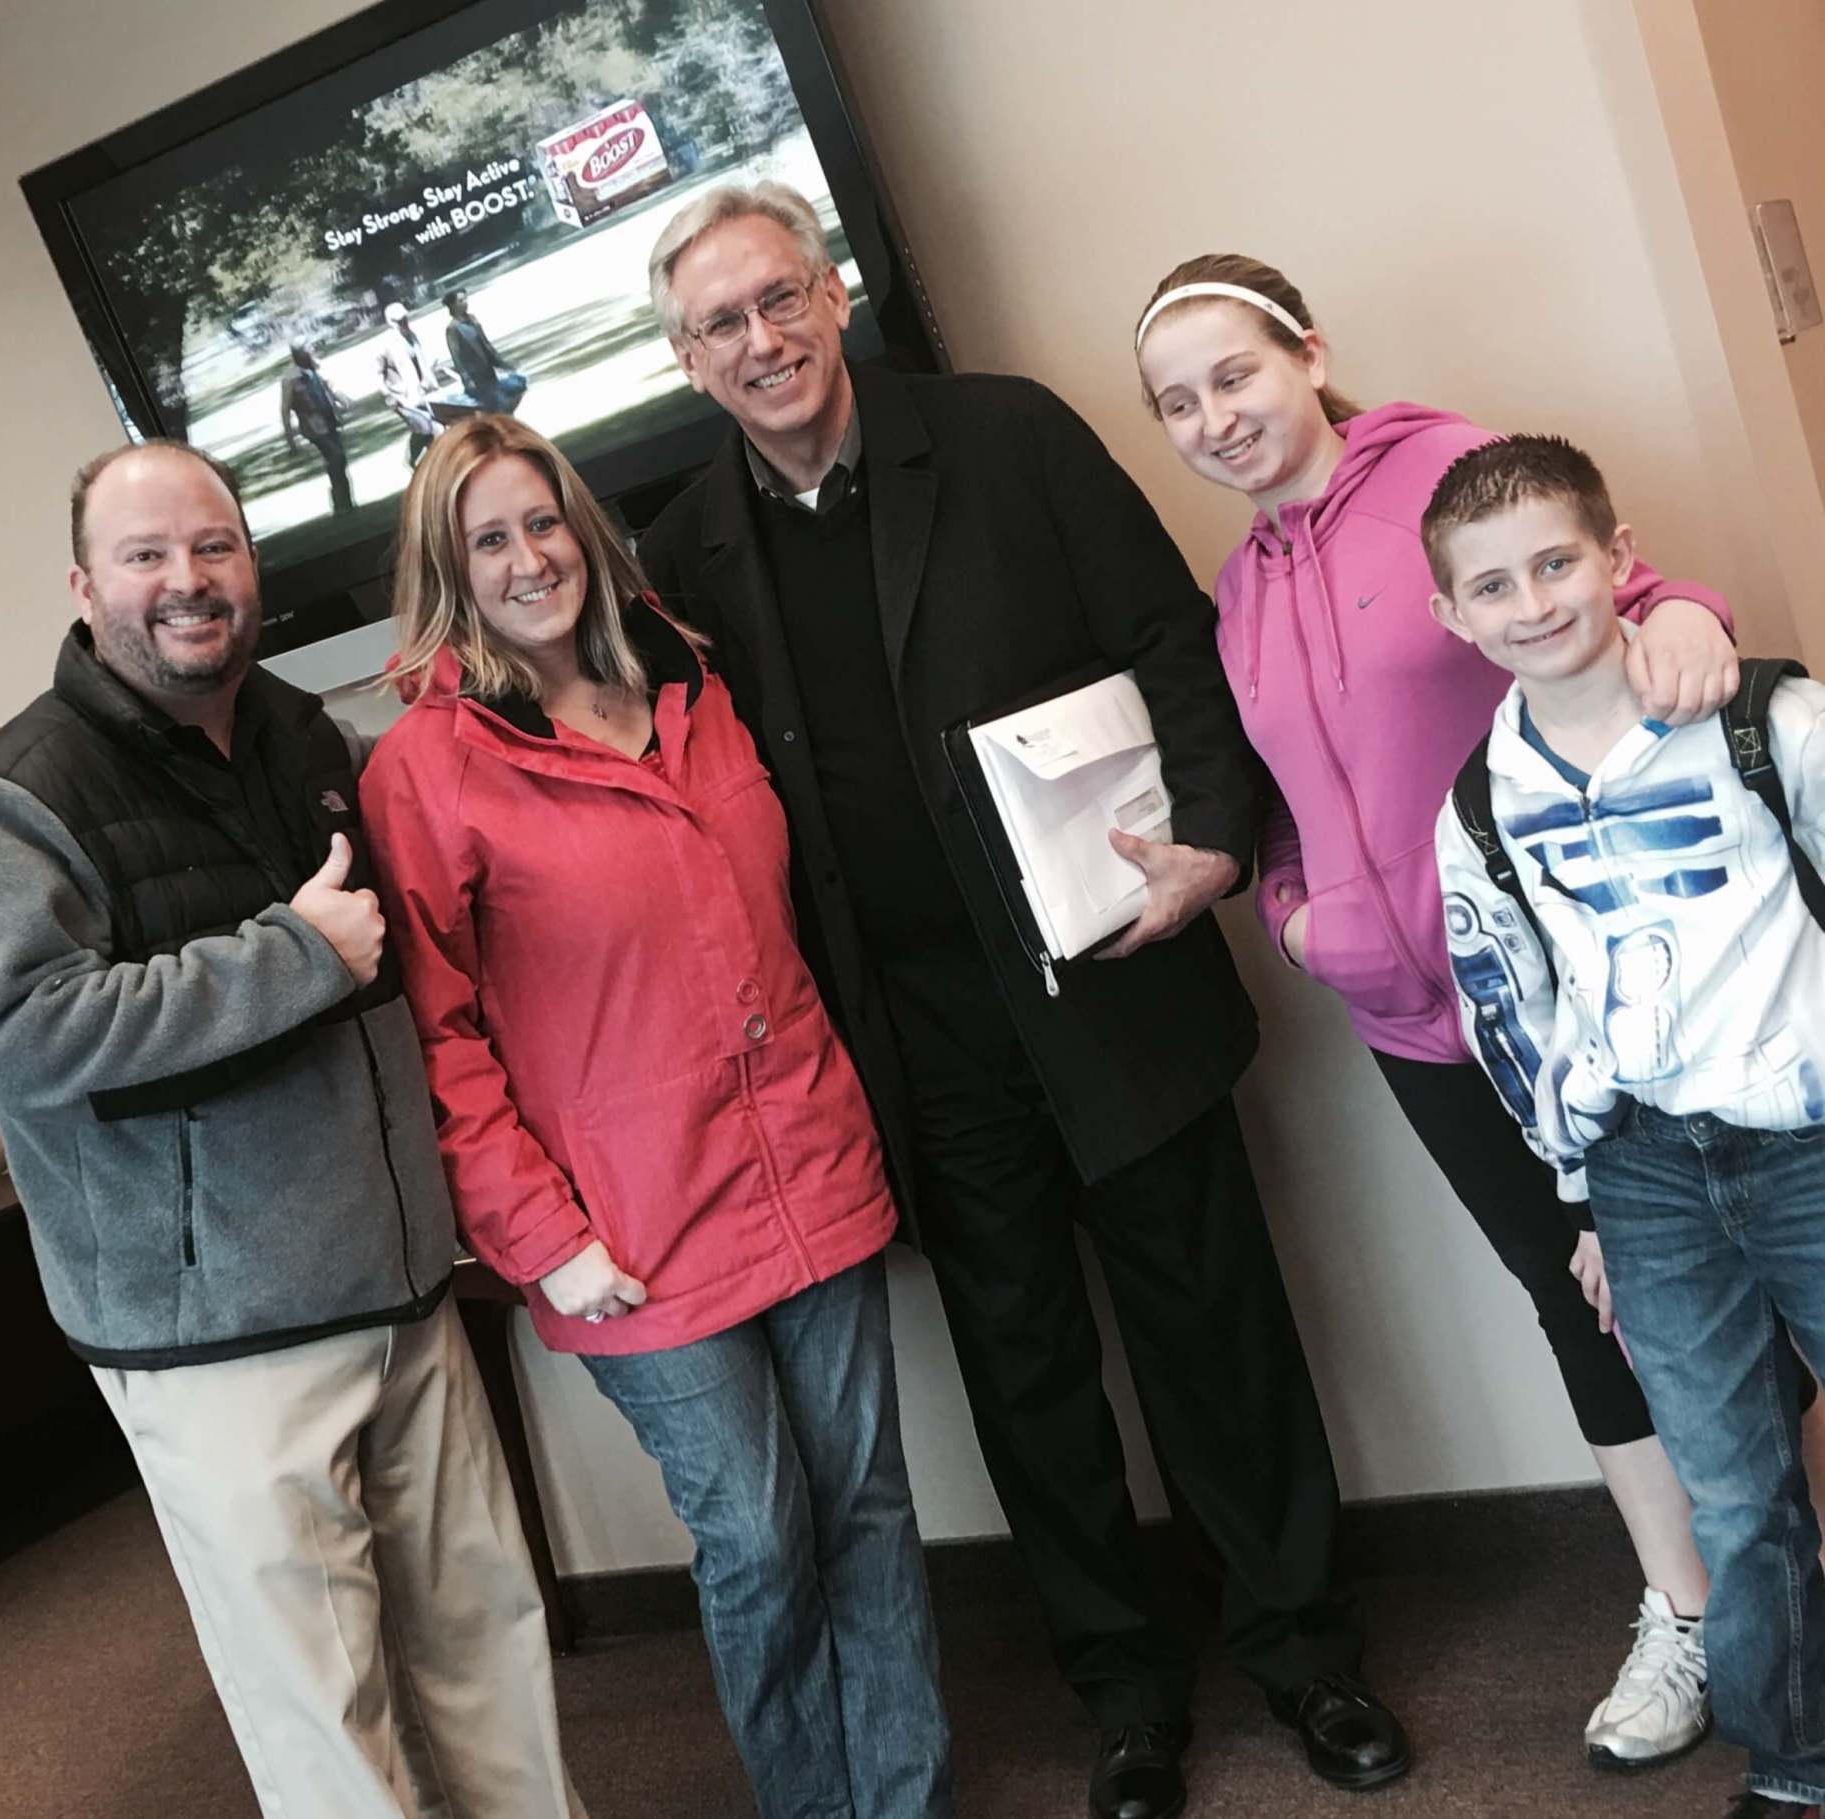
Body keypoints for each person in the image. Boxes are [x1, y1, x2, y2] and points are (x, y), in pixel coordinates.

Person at [638, 181, 1410, 1819]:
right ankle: (1125, 1691)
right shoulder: (682, 550)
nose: (761, 340)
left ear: (832, 295)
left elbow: (1168, 637)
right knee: (1027, 1372)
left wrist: (1213, 844)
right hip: (915, 1032)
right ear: (687, 360)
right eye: (721, 324)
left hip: (1112, 970)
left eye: (779, 298)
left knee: (1214, 1329)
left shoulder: (1007, 436)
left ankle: (1303, 1645)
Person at [1130, 252, 1793, 1772]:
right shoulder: (1238, 591)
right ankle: (1688, 1607)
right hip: (1425, 1028)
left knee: (1715, 1275)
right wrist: (1298, 916)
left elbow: (1604, 592)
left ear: (1308, 354)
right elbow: (1278, 802)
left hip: (1593, 987)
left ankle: (1778, 1568)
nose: (1216, 418)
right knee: (1575, 1298)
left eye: (1236, 375)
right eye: (1178, 403)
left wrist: (1694, 612)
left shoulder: (1440, 471)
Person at [0, 440, 585, 1819]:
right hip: (219, 1349)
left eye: (212, 546)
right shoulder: (15, 797)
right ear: (84, 584)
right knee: (330, 1726)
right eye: (146, 555)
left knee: (490, 1654)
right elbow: (28, 1036)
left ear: (250, 563)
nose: (187, 579)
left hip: (400, 1293)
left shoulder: (309, 738)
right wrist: (291, 956)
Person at [358, 413, 953, 1819]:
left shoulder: (694, 682)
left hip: (807, 1162)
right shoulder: (426, 768)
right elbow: (434, 1036)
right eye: (488, 539)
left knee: (866, 1507)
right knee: (757, 1535)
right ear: (449, 570)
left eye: (543, 522)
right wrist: (539, 1237)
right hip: (628, 1233)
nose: (528, 558)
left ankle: (907, 1801)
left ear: (584, 530)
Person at [1427, 432, 1825, 1819]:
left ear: (1619, 557)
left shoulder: (1769, 722)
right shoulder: (1480, 808)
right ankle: (1797, 1758)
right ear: (1451, 614)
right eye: (1493, 585)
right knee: (1734, 1491)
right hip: (1646, 1177)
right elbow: (1513, 1013)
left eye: (1557, 563)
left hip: (1808, 1139)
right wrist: (1582, 1200)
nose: (1533, 602)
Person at [279, 341, 354, 513]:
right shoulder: (290, 379)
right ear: (298, 354)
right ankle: (340, 501)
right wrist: (290, 439)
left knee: (339, 460)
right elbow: (285, 410)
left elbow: (329, 387)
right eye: (308, 350)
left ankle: (345, 503)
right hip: (313, 426)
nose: (312, 351)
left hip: (330, 420)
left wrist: (343, 400)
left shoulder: (315, 368)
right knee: (336, 456)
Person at [378, 301, 443, 466]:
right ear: (391, 323)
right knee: (425, 427)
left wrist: (429, 378)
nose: (404, 323)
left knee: (432, 427)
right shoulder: (385, 345)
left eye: (405, 319)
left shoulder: (412, 337)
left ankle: (432, 463)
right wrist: (389, 394)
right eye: (400, 321)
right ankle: (412, 460)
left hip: (422, 391)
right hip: (403, 397)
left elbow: (420, 362)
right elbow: (378, 374)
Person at [443, 289, 528, 413]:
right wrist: (467, 380)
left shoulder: (472, 319)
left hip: (490, 374)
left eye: (466, 299)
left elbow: (486, 346)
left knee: (519, 383)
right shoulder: (453, 329)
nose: (465, 302)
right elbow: (457, 358)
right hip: (477, 380)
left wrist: (504, 364)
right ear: (452, 305)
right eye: (461, 301)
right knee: (499, 404)